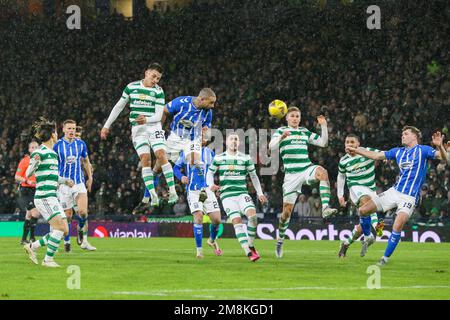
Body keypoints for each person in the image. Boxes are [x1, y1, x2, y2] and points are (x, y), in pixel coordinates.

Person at [346, 126, 447, 266]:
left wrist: (440, 146)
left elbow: (444, 158)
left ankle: (384, 259)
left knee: (397, 224)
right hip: (394, 192)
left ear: (414, 137)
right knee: (363, 210)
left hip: (409, 197)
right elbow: (376, 155)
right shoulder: (398, 152)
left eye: (405, 134)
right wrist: (356, 150)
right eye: (402, 133)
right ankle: (368, 236)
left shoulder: (423, 150)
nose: (402, 136)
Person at [101, 63, 178, 208]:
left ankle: (172, 191)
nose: (155, 80)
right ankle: (153, 195)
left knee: (161, 155)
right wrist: (106, 125)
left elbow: (158, 114)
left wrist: (147, 119)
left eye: (158, 78)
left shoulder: (158, 91)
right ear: (146, 72)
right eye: (154, 76)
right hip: (138, 129)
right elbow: (119, 106)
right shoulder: (131, 87)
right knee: (145, 159)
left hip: (154, 126)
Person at [269, 106, 337, 258]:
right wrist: (281, 138)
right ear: (287, 118)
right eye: (292, 116)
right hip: (291, 176)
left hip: (306, 169)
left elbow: (323, 143)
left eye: (297, 116)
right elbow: (271, 146)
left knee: (323, 173)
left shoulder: (304, 131)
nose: (295, 118)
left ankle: (325, 208)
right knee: (286, 213)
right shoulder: (281, 131)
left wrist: (324, 126)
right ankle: (280, 241)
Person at [207, 133, 267, 262]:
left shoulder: (245, 158)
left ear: (239, 143)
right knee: (237, 221)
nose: (234, 141)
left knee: (253, 217)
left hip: (242, 194)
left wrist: (260, 193)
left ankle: (250, 245)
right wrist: (211, 185)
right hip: (227, 196)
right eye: (231, 139)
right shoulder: (219, 158)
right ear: (226, 143)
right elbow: (210, 172)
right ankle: (249, 253)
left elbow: (254, 176)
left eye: (236, 139)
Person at [23, 117, 74, 267]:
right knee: (59, 227)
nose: (57, 135)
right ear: (52, 135)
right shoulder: (40, 152)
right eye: (56, 133)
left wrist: (65, 181)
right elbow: (28, 173)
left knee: (64, 229)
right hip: (44, 196)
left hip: (52, 196)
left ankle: (32, 246)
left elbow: (52, 175)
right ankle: (48, 260)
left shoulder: (53, 154)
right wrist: (35, 161)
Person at [173, 134, 222, 259]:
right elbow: (176, 168)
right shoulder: (187, 152)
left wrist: (216, 186)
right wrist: (181, 177)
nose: (203, 139)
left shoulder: (210, 153)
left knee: (217, 220)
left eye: (205, 137)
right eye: (201, 136)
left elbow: (217, 171)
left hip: (207, 191)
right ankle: (199, 251)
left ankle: (211, 240)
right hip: (194, 191)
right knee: (198, 217)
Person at [163, 88, 217, 202]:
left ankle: (202, 188)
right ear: (202, 99)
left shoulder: (208, 112)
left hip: (192, 139)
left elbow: (207, 127)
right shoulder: (181, 102)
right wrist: (159, 130)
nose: (213, 106)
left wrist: (205, 135)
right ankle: (148, 196)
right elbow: (164, 111)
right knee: (159, 166)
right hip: (175, 138)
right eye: (211, 102)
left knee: (195, 160)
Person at [336, 134, 384, 258]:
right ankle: (370, 235)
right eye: (347, 142)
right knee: (366, 202)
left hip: (370, 189)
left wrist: (386, 157)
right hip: (355, 188)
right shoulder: (343, 160)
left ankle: (346, 243)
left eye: (352, 142)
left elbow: (382, 153)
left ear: (358, 144)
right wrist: (340, 195)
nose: (349, 144)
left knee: (362, 226)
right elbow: (341, 177)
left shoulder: (367, 152)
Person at [54, 119, 96, 252]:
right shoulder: (57, 145)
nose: (72, 131)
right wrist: (57, 182)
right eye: (69, 129)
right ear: (64, 129)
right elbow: (54, 165)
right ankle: (67, 242)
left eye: (73, 128)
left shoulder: (81, 144)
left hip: (79, 182)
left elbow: (85, 161)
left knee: (83, 212)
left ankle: (80, 228)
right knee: (67, 216)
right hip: (64, 185)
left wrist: (90, 178)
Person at [15, 141, 40, 245]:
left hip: (36, 190)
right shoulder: (25, 161)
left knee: (29, 215)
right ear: (29, 150)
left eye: (36, 147)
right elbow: (17, 177)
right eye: (32, 147)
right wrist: (27, 180)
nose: (34, 149)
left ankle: (24, 239)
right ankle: (33, 238)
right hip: (26, 190)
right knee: (36, 213)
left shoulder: (41, 161)